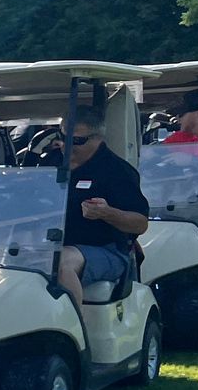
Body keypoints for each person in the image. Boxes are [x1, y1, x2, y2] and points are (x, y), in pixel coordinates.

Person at [54, 111, 149, 318]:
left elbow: (140, 223)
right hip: (54, 241)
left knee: (60, 262)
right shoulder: (51, 163)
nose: (66, 146)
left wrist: (107, 213)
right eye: (63, 137)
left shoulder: (116, 171)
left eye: (76, 141)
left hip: (107, 249)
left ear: (97, 139)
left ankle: (72, 330)